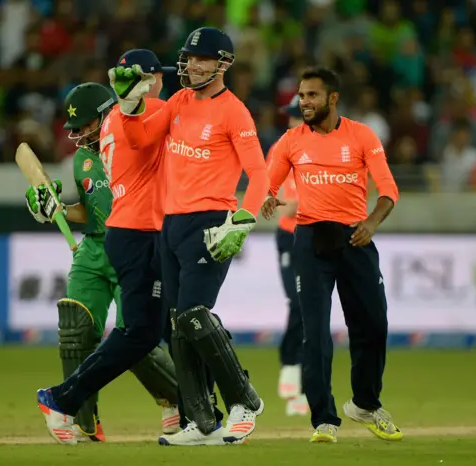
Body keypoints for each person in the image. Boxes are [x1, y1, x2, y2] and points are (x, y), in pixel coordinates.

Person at [108, 27, 269, 446]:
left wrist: (243, 220)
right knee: (178, 325)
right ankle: (201, 421)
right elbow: (141, 138)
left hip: (211, 222)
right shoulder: (179, 100)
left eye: (202, 59)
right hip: (171, 225)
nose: (193, 65)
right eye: (189, 57)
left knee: (195, 314)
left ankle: (244, 401)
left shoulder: (234, 111)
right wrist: (129, 105)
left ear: (222, 64)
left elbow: (261, 174)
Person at [30, 72, 179, 445]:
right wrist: (55, 208)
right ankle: (81, 421)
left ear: (108, 113)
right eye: (74, 127)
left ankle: (178, 401)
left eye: (85, 125)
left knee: (136, 338)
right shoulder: (83, 157)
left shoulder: (138, 142)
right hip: (94, 247)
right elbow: (89, 210)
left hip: (137, 241)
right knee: (75, 326)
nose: (79, 134)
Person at [262, 66, 403, 444]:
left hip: (355, 237)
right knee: (316, 334)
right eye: (301, 96)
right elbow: (268, 182)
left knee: (373, 325)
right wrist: (269, 198)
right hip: (311, 240)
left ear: (332, 98)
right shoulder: (291, 141)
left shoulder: (362, 135)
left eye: (311, 96)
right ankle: (324, 420)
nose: (303, 102)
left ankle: (365, 404)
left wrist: (371, 224)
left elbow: (389, 189)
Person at [267, 96, 308, 417]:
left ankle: (302, 381)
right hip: (289, 235)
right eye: (291, 117)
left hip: (313, 234)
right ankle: (290, 365)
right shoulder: (281, 149)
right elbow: (278, 195)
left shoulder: (322, 150)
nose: (292, 123)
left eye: (296, 117)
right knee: (299, 301)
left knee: (310, 305)